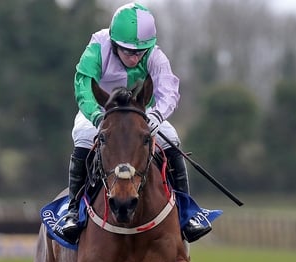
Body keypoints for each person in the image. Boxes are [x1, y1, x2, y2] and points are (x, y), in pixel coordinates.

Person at [54, 2, 211, 245]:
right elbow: (83, 84)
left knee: (173, 139)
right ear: (115, 43)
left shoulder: (154, 55)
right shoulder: (98, 45)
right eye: (128, 51)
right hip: (100, 111)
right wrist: (96, 116)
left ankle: (187, 212)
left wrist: (157, 116)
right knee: (85, 138)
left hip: (141, 114)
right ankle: (73, 211)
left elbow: (168, 89)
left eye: (140, 52)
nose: (135, 57)